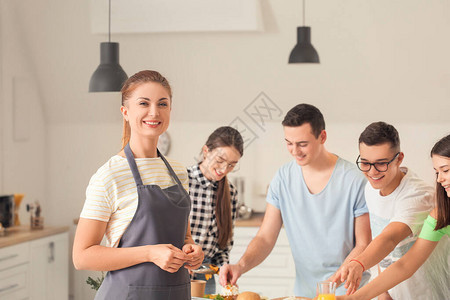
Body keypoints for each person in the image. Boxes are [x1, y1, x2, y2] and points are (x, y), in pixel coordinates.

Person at [72, 70, 204, 300]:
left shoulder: (178, 172)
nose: (154, 112)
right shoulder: (109, 176)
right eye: (144, 103)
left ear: (170, 110)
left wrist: (191, 250)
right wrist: (150, 253)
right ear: (125, 112)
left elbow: (184, 236)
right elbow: (82, 256)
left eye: (163, 104)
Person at [219, 103, 372, 297]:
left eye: (302, 144)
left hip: (348, 292)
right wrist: (240, 266)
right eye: (289, 143)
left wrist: (330, 287)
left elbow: (363, 244)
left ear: (322, 137)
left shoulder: (354, 180)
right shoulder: (283, 178)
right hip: (304, 294)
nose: (294, 151)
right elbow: (265, 237)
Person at [332, 122, 440, 299]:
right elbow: (381, 249)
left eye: (381, 163)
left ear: (399, 158)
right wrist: (384, 294)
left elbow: (389, 239)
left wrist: (359, 263)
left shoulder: (418, 195)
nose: (372, 172)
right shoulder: (371, 189)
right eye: (365, 163)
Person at [188, 126, 244, 294]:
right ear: (206, 151)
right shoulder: (182, 181)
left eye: (231, 165)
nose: (224, 170)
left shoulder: (231, 193)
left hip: (207, 276)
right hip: (177, 270)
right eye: (220, 160)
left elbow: (223, 247)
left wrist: (224, 268)